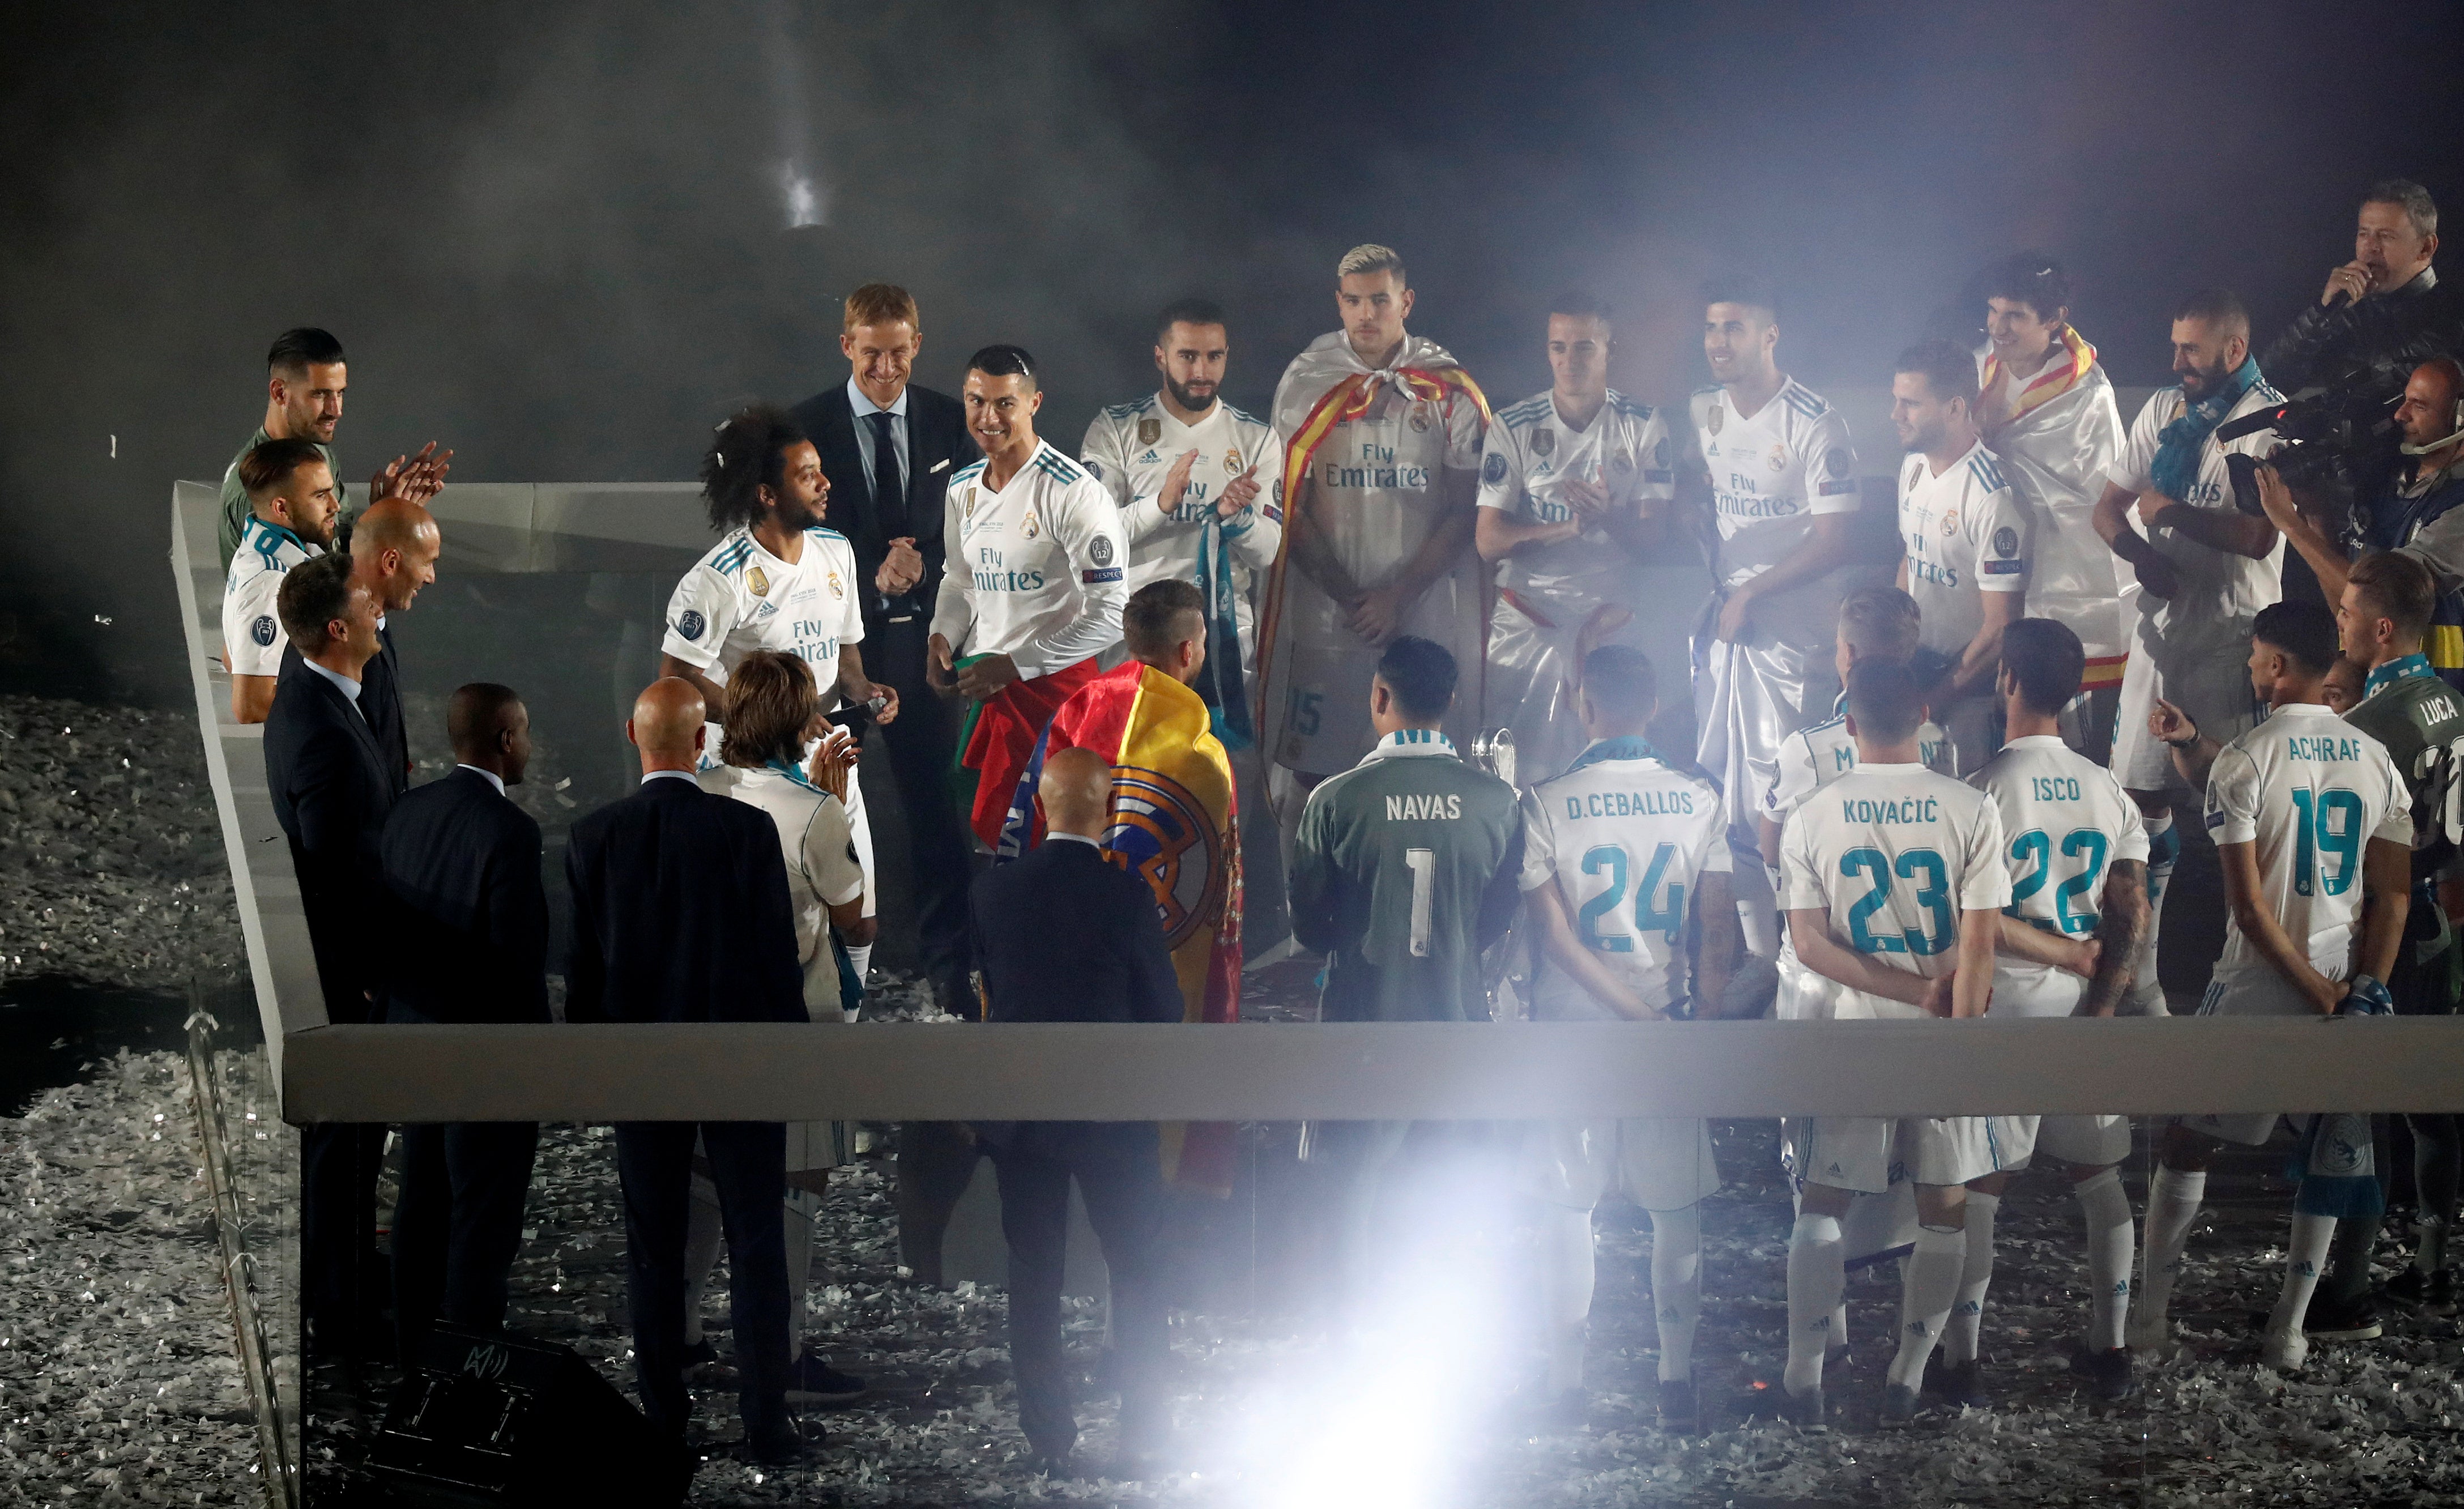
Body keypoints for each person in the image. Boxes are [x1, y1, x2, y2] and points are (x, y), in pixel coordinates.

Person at [2131, 603, 2411, 1374]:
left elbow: (2249, 912)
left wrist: (2314, 996)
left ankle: (2149, 1320)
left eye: (2256, 658)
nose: (2250, 669)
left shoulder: (2246, 760)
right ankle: (2287, 1331)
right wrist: (2361, 993)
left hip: (2259, 985)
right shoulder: (2372, 756)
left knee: (2187, 1141)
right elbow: (2391, 896)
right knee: (2329, 1154)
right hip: (2344, 982)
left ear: (2279, 667)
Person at [564, 679, 810, 1465]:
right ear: (702, 740)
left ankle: (663, 1421)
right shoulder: (744, 831)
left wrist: (593, 1073)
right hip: (742, 1067)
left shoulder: (594, 836)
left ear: (632, 738)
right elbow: (777, 962)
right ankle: (766, 1423)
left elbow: (585, 977)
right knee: (756, 1244)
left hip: (640, 1072)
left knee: (654, 1249)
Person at [1775, 660, 2009, 1425]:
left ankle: (1803, 1378)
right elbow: (1981, 944)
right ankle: (1906, 1376)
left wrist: (1904, 992)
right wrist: (1950, 1015)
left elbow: (1806, 946)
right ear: (1924, 722)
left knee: (1821, 1207)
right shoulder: (1970, 807)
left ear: (1847, 725)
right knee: (1944, 1208)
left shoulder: (1811, 813)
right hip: (1946, 1043)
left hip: (1853, 1041)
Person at [1515, 645, 1733, 1434]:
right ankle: (1674, 1380)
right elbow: (1718, 927)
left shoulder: (1544, 800)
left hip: (1572, 1037)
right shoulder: (1695, 796)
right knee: (1674, 1211)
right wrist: (1698, 1016)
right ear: (1654, 705)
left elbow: (1556, 942)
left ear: (1583, 703)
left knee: (1566, 1211)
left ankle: (1566, 1384)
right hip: (1667, 1029)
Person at [1287, 637, 1522, 1308]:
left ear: (1379, 697)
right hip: (1457, 1021)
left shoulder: (1335, 799)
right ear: (1451, 702)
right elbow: (1497, 920)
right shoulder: (1499, 802)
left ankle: (1356, 1327)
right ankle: (1449, 1320)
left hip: (1365, 1022)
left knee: (1356, 1179)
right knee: (1452, 1177)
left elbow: (1309, 925)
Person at [970, 746, 1185, 1478]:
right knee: (1139, 1269)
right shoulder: (1126, 896)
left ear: (1041, 807)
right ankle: (1146, 1430)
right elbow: (1165, 1010)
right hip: (1111, 1117)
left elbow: (986, 996)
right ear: (1106, 811)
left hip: (1023, 1116)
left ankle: (1047, 1436)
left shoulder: (994, 892)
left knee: (1034, 1276)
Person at [994, 579, 1244, 1192]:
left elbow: (1021, 836)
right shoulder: (1204, 750)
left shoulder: (1075, 713)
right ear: (1188, 651)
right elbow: (1223, 890)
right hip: (1158, 976)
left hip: (1057, 991)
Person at [1957, 619, 2151, 1405]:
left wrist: (2054, 955)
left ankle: (1959, 1358)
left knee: (1978, 1188)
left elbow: (1977, 919)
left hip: (2003, 1009)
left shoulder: (1980, 789)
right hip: (2080, 1013)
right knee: (2100, 1180)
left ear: (2005, 679)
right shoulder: (2106, 787)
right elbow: (2131, 913)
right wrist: (2099, 1005)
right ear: (2075, 689)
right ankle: (2109, 1349)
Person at [683, 651, 874, 1404]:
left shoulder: (696, 791)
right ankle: (785, 1352)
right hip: (797, 1015)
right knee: (798, 1178)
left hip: (706, 1015)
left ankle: (683, 1335)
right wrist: (835, 799)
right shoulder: (814, 813)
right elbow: (854, 919)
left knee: (703, 1170)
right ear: (800, 723)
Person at [2092, 288, 2284, 1015]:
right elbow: (2107, 507)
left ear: (2234, 349)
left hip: (2232, 642)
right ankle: (2142, 983)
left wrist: (2170, 512)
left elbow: (2260, 536)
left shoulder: (2268, 420)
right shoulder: (2164, 411)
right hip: (2158, 640)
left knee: (2237, 814)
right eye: (2174, 346)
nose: (2177, 362)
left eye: (2191, 349)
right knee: (2138, 804)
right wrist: (2140, 556)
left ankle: (2243, 978)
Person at [789, 284, 979, 1012]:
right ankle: (832, 972)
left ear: (917, 344)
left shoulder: (946, 419)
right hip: (840, 645)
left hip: (930, 644)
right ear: (847, 347)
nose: (887, 367)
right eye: (872, 353)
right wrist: (872, 562)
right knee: (828, 812)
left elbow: (972, 510)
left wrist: (922, 561)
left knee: (936, 812)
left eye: (900, 352)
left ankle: (949, 969)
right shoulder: (805, 426)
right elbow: (798, 521)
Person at [1259, 244, 1490, 816]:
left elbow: (1465, 510)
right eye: (1355, 302)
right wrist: (1354, 599)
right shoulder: (1308, 378)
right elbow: (1291, 505)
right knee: (1317, 778)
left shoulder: (1446, 384)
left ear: (1406, 302)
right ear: (1338, 304)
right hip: (1330, 616)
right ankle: (1306, 905)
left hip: (1422, 613)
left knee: (1423, 779)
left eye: (1380, 301)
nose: (1367, 315)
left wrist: (1399, 596)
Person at [660, 405, 889, 983]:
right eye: (807, 474)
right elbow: (676, 678)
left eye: (821, 470)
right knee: (769, 928)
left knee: (858, 919)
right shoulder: (718, 578)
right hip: (753, 774)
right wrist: (773, 713)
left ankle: (846, 1036)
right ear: (765, 493)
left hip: (831, 756)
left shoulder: (837, 551)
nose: (825, 482)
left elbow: (847, 649)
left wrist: (865, 688)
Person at [1686, 274, 1873, 959]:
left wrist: (1752, 593)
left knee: (1785, 795)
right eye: (1711, 328)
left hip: (1793, 638)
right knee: (1726, 801)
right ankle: (1759, 961)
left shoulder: (1815, 422)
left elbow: (1838, 541)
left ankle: (1811, 952)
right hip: (1730, 632)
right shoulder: (1704, 410)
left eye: (1734, 328)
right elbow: (1708, 490)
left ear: (1770, 335)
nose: (1718, 342)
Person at [376, 683, 549, 1366]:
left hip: (416, 1039)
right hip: (487, 1058)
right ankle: (472, 1354)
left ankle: (413, 1349)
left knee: (421, 1201)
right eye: (526, 732)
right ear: (506, 740)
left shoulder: (407, 813)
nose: (529, 745)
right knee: (484, 1215)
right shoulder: (511, 831)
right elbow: (519, 959)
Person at [260, 551, 394, 1363]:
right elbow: (340, 876)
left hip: (348, 968)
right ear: (338, 629)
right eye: (368, 601)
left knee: (348, 1148)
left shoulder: (318, 700)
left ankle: (344, 1287)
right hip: (345, 977)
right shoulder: (322, 735)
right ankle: (336, 1308)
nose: (382, 607)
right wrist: (374, 976)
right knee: (342, 1147)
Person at [2329, 555, 2464, 1320]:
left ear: (2381, 630)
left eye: (2348, 611)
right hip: (2442, 923)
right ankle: (2433, 1260)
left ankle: (2347, 1281)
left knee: (2362, 1102)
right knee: (2428, 1105)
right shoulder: (2449, 701)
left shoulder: (2365, 727)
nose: (2338, 621)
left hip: (2390, 921)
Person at [928, 345, 1131, 849]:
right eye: (977, 402)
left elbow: (1111, 614)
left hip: (1059, 701)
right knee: (993, 849)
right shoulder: (961, 489)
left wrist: (1017, 665)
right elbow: (962, 579)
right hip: (990, 693)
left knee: (1056, 851)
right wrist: (942, 635)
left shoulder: (1074, 493)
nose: (988, 417)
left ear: (1034, 403)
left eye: (1004, 404)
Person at [1476, 295, 1676, 782]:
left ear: (1610, 348)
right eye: (1559, 348)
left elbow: (1654, 541)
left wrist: (1608, 517)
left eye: (1584, 348)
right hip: (1528, 624)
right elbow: (1488, 540)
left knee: (1612, 776)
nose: (1570, 361)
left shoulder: (1644, 424)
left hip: (1609, 626)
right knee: (1516, 776)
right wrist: (1569, 527)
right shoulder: (1514, 426)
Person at [1080, 298, 1285, 742]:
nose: (1201, 371)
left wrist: (1236, 518)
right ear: (1161, 357)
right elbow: (1093, 546)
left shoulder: (1256, 439)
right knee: (1128, 772)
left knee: (1219, 774)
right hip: (1134, 634)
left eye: (1214, 356)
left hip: (1220, 639)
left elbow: (1268, 551)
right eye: (1188, 356)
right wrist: (1161, 504)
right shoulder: (1115, 429)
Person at [1974, 255, 2131, 753]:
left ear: (2054, 319)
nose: (1999, 327)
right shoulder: (1980, 365)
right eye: (1994, 312)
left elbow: (2093, 498)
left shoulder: (2089, 393)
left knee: (2072, 742)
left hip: (2064, 576)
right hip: (1991, 564)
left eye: (2014, 316)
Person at [2261, 358, 2464, 694]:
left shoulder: (2457, 506)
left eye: (2420, 405)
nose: (2401, 415)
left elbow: (2374, 599)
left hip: (2437, 698)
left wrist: (2290, 524)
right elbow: (2348, 610)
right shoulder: (2383, 484)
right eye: (2404, 400)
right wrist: (2315, 515)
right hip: (2377, 692)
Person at [1890, 338, 2031, 773]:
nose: (1895, 415)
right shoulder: (1912, 466)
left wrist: (1933, 700)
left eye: (1910, 404)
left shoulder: (1994, 495)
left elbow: (2002, 628)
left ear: (1955, 408)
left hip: (1969, 696)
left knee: (1966, 824)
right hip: (1916, 676)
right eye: (1895, 401)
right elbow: (1910, 560)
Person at [215, 326, 447, 570]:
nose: (336, 410)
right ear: (279, 392)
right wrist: (384, 529)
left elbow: (341, 556)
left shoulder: (317, 454)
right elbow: (316, 598)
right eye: (320, 395)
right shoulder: (257, 488)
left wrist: (383, 516)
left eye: (340, 393)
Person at [280, 496, 442, 798]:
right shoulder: (338, 648)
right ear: (391, 563)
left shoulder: (370, 625)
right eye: (428, 562)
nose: (431, 578)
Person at [2264, 180, 2463, 409]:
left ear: (2426, 247)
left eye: (2386, 236)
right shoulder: (2345, 310)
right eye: (2363, 234)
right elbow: (2273, 383)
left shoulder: (2453, 318)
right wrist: (2322, 313)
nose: (2370, 247)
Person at [221, 438, 338, 723]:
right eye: (321, 495)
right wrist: (342, 705)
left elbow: (232, 655)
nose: (334, 506)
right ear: (281, 509)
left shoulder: (264, 547)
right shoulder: (272, 580)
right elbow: (251, 706)